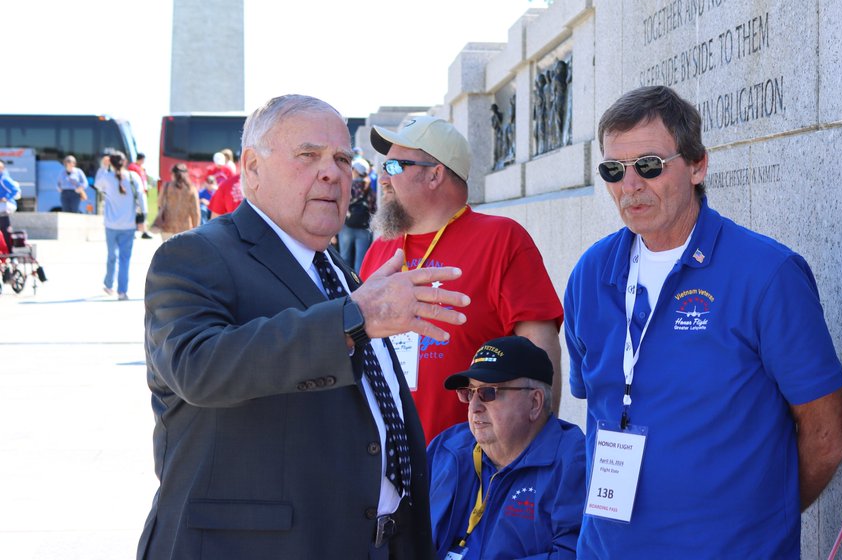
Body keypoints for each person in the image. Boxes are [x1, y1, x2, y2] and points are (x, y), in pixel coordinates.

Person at [138, 94, 472, 559]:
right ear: (251, 168)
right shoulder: (195, 257)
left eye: (341, 159)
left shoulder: (336, 270)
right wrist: (356, 319)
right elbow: (198, 366)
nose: (332, 172)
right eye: (308, 156)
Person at [563, 85, 842, 558]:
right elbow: (598, 405)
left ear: (697, 165)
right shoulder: (590, 275)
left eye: (649, 166)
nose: (630, 185)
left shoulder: (767, 274)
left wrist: (757, 518)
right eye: (614, 170)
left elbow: (829, 436)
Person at [360, 116, 563, 442]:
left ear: (434, 174)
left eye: (395, 166)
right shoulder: (380, 250)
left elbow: (540, 352)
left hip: (472, 467)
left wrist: (534, 456)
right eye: (383, 166)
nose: (382, 177)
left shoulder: (501, 239)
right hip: (386, 462)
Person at [427, 336, 586, 559]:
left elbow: (576, 554)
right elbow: (404, 529)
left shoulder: (575, 463)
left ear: (535, 403)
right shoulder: (446, 447)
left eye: (488, 392)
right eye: (470, 392)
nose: (474, 407)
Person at [94, 152, 146, 300]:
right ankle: (122, 291)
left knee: (111, 256)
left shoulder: (106, 177)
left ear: (110, 162)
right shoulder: (133, 177)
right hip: (129, 224)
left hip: (111, 224)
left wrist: (103, 167)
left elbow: (97, 185)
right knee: (125, 259)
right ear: (124, 162)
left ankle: (109, 284)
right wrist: (143, 219)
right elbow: (141, 197)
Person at [338, 157, 376, 274]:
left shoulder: (348, 186)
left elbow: (340, 205)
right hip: (364, 228)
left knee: (344, 258)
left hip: (346, 226)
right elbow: (373, 208)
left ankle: (346, 283)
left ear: (355, 170)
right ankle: (359, 285)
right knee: (361, 261)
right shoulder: (369, 187)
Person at [155, 163, 201, 240]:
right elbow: (195, 212)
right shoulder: (191, 189)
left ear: (173, 174)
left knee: (169, 251)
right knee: (183, 252)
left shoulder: (166, 186)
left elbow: (159, 203)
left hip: (167, 227)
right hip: (185, 229)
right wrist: (196, 230)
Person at [129, 152, 153, 239]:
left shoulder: (141, 168)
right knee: (138, 211)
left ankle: (144, 231)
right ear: (141, 159)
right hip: (136, 193)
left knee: (144, 211)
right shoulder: (133, 167)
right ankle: (136, 230)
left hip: (143, 192)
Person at [0, 159, 20, 245]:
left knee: (5, 228)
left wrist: (6, 197)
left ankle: (8, 249)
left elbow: (16, 190)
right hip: (3, 206)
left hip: (8, 204)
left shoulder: (4, 178)